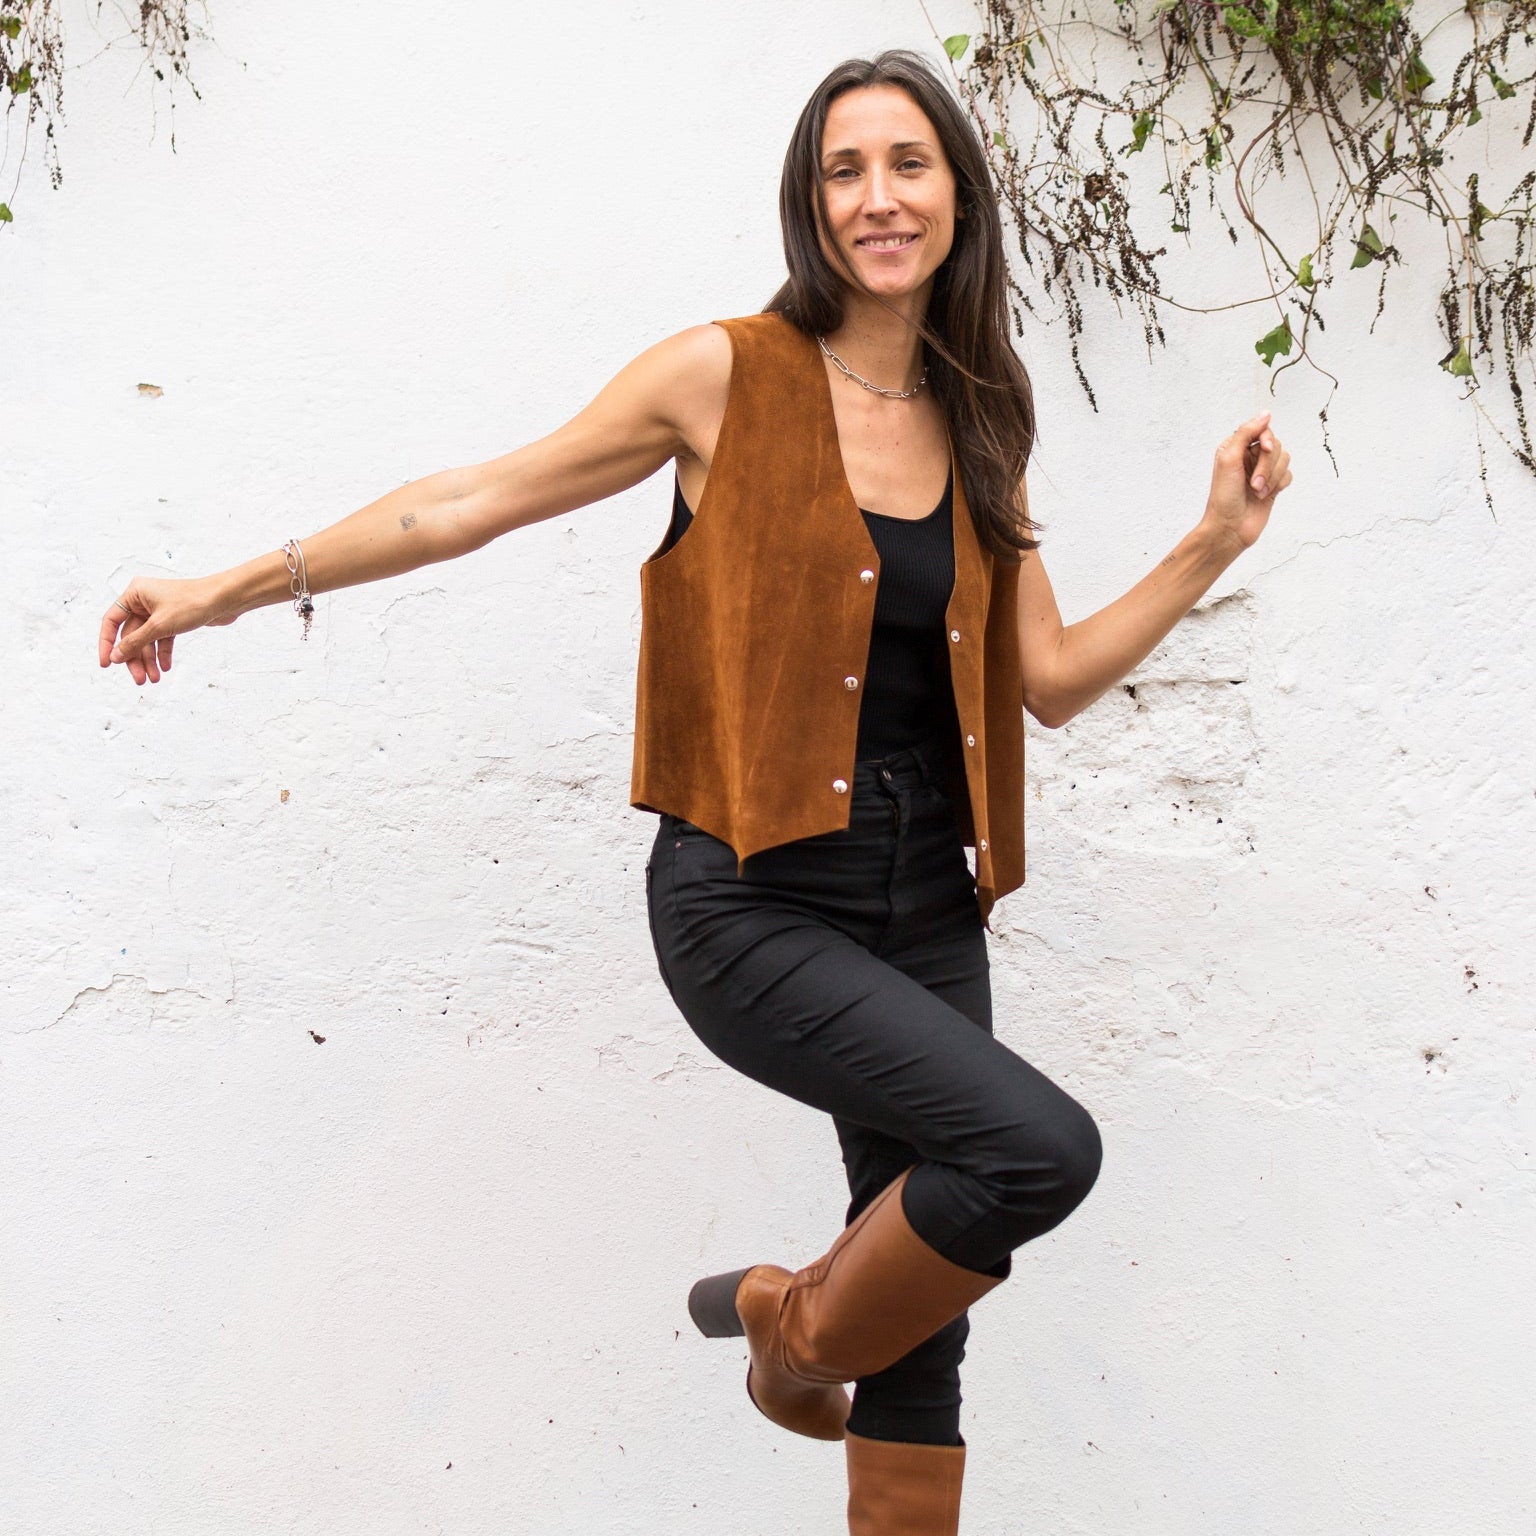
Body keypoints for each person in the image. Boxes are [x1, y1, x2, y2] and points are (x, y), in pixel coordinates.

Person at [98, 47, 1292, 1536]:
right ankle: (791, 1332)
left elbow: (1043, 678)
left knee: (925, 1308)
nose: (878, 198)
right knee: (1034, 1151)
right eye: (843, 170)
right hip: (752, 899)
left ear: (958, 195)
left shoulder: (984, 407)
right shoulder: (723, 374)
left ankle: (811, 1323)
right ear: (809, 203)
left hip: (932, 900)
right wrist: (220, 590)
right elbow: (465, 501)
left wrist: (1209, 545)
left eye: (908, 164)